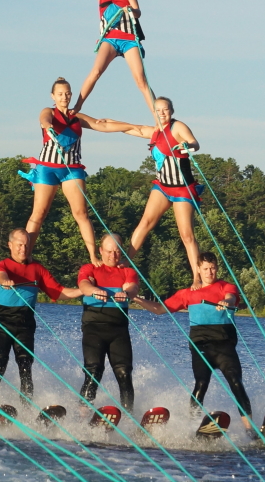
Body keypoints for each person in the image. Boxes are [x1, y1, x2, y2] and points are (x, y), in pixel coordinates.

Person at [20, 77, 135, 262]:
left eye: (67, 93)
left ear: (71, 95)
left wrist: (131, 127)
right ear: (53, 96)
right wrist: (48, 126)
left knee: (81, 213)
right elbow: (44, 119)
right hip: (47, 168)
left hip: (72, 169)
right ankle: (26, 254)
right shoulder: (48, 111)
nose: (64, 97)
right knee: (39, 213)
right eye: (60, 94)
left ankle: (93, 256)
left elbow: (101, 125)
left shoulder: (77, 117)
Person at [136, 252, 253, 431]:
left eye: (213, 268)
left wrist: (226, 301)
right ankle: (192, 425)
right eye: (205, 269)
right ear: (198, 269)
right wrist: (135, 298)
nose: (209, 272)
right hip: (201, 346)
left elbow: (231, 297)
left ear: (217, 268)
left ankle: (249, 428)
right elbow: (159, 309)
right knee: (201, 384)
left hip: (224, 345)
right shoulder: (188, 294)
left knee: (236, 382)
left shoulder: (227, 287)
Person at [0, 228, 81, 400]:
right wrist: (4, 280)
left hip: (25, 323)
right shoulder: (3, 266)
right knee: (0, 364)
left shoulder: (37, 269)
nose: (23, 249)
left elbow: (58, 292)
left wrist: (84, 290)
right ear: (10, 245)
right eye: (19, 245)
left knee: (25, 367)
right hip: (2, 322)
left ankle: (26, 408)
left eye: (26, 245)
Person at [116, 96, 203, 285]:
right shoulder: (154, 132)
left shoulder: (177, 127)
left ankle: (197, 277)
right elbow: (130, 128)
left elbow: (195, 143)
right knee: (145, 222)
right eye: (158, 110)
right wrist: (96, 124)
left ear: (171, 111)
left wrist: (188, 146)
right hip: (162, 186)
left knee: (187, 236)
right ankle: (126, 261)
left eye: (165, 109)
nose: (162, 113)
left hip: (182, 189)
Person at [67, 0, 154, 116]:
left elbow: (138, 12)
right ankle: (77, 107)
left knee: (140, 80)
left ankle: (158, 117)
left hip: (129, 39)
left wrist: (131, 10)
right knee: (96, 71)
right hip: (110, 39)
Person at [76, 234, 140, 412]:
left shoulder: (128, 271)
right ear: (101, 251)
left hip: (118, 331)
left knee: (124, 373)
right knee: (94, 371)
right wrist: (94, 290)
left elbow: (132, 287)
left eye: (117, 251)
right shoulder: (90, 268)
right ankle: (82, 414)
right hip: (93, 328)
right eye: (109, 251)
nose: (113, 255)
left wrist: (126, 293)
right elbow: (83, 285)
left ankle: (128, 415)